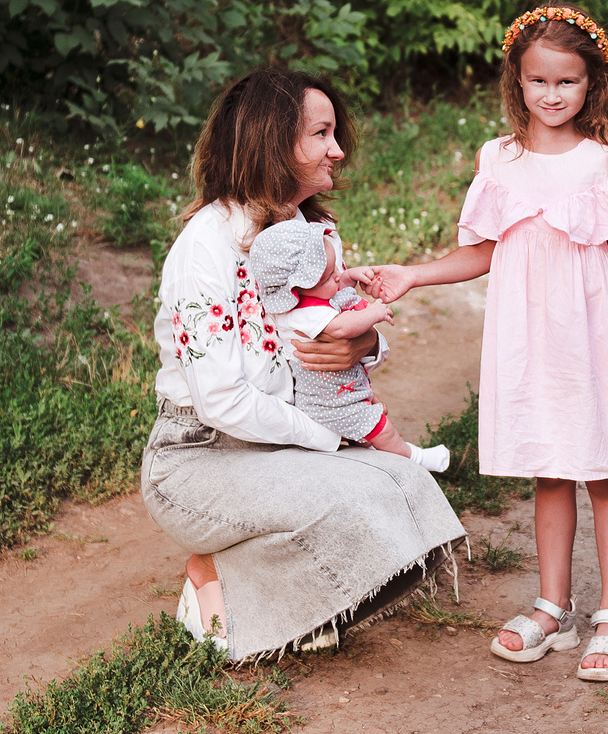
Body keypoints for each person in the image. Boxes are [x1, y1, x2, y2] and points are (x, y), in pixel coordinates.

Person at [356, 4, 608, 683]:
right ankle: (554, 605)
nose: (552, 94)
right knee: (550, 467)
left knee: (603, 466)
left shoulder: (602, 163)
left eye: (567, 82)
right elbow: (479, 252)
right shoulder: (499, 159)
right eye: (538, 81)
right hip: (533, 337)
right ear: (518, 81)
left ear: (592, 84)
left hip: (593, 334)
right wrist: (414, 274)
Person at [145, 67, 467, 659]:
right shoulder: (203, 248)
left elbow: (332, 322)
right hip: (198, 456)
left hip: (276, 441)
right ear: (272, 141)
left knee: (403, 481)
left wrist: (366, 346)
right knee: (346, 500)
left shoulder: (304, 230)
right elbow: (219, 400)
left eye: (334, 133)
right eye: (321, 134)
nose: (338, 150)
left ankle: (290, 598)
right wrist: (328, 439)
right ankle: (216, 578)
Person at [246, 216, 451, 471]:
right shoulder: (302, 315)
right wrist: (374, 312)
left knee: (367, 427)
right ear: (298, 288)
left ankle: (379, 454)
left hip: (340, 389)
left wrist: (350, 275)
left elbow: (336, 286)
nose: (337, 277)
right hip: (330, 400)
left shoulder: (312, 295)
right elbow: (343, 326)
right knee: (380, 428)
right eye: (329, 275)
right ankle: (414, 459)